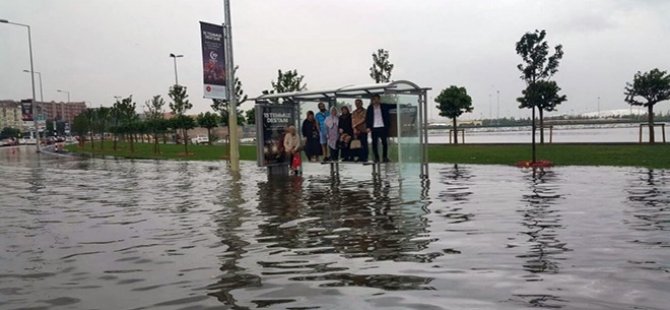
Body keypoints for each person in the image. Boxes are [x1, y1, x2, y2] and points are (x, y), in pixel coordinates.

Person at [366, 94, 391, 163]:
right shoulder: (370, 108)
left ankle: (385, 157)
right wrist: (368, 127)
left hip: (382, 127)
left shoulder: (384, 106)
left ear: (379, 99)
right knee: (374, 143)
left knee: (384, 143)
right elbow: (367, 118)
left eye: (377, 99)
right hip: (374, 127)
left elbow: (393, 106)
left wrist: (404, 105)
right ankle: (376, 158)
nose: (376, 101)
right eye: (374, 99)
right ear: (372, 100)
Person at [351, 98, 368, 162]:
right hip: (356, 131)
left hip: (363, 130)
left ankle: (365, 157)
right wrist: (354, 128)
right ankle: (359, 157)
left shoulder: (365, 111)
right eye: (356, 104)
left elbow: (363, 119)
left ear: (361, 103)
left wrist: (356, 125)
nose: (357, 105)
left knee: (364, 144)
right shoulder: (354, 112)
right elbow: (352, 120)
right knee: (358, 144)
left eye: (358, 103)